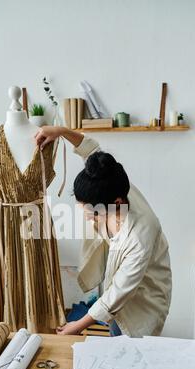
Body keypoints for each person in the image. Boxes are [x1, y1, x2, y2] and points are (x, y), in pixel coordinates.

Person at [34, 126, 172, 337]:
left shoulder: (141, 234)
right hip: (115, 295)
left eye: (93, 212)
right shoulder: (112, 183)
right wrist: (60, 131)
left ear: (116, 203)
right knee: (112, 330)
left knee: (128, 351)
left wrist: (78, 325)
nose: (87, 216)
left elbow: (119, 292)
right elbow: (91, 149)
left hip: (143, 305)